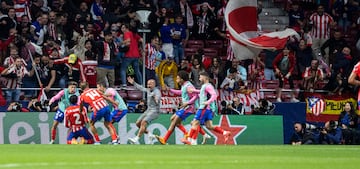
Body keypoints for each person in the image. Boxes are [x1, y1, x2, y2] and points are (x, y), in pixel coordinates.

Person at [155, 70, 211, 145]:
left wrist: (187, 103)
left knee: (174, 122)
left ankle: (164, 139)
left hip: (188, 107)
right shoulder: (185, 85)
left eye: (177, 78)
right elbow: (181, 92)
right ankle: (187, 133)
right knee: (173, 120)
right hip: (185, 107)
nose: (176, 80)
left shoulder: (188, 86)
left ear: (182, 79)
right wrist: (170, 90)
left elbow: (196, 96)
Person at [183, 72, 231, 145]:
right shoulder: (205, 86)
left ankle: (189, 139)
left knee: (195, 122)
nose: (199, 78)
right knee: (209, 126)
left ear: (205, 78)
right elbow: (202, 92)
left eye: (200, 77)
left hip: (204, 108)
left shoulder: (208, 86)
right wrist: (194, 91)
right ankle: (224, 132)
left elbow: (214, 95)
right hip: (207, 109)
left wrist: (207, 102)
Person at [127, 77, 160, 144]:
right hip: (148, 110)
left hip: (155, 111)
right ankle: (150, 135)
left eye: (150, 85)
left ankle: (136, 138)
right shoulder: (148, 90)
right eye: (147, 84)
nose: (148, 86)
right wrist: (133, 83)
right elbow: (141, 88)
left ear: (154, 84)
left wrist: (156, 99)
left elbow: (158, 100)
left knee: (143, 122)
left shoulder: (157, 91)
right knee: (138, 123)